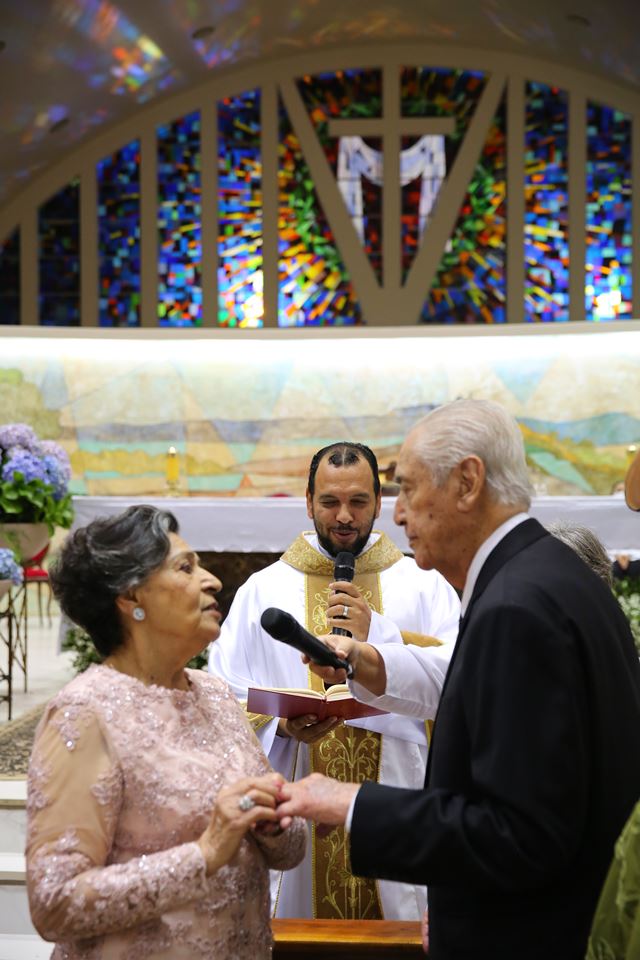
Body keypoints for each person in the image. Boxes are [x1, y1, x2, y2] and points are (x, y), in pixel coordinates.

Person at [276, 399, 640, 960]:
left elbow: (518, 833)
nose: (396, 516)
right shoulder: (547, 574)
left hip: (526, 934)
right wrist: (369, 661)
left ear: (468, 482)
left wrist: (350, 803)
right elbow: (475, 690)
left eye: (411, 489)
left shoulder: (517, 606)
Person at [26, 505, 306, 960]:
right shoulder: (85, 712)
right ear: (131, 596)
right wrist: (205, 853)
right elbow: (54, 903)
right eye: (185, 567)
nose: (213, 580)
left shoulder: (215, 693)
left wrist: (274, 825)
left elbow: (288, 853)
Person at [209, 441, 460, 920]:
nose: (344, 516)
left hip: (399, 791)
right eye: (329, 502)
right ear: (308, 503)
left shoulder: (423, 583)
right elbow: (220, 690)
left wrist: (381, 638)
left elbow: (460, 674)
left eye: (358, 502)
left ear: (379, 504)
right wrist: (278, 725)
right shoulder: (263, 589)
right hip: (296, 786)